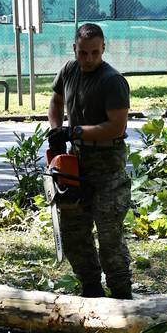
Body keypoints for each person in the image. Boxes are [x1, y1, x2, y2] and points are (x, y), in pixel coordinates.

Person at [47, 23, 133, 300]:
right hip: (77, 161)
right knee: (74, 230)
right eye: (83, 53)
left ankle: (122, 294)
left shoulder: (112, 80)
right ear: (75, 49)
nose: (89, 59)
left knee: (109, 236)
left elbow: (116, 127)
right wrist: (56, 129)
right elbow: (56, 101)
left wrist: (75, 131)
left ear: (103, 49)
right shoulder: (69, 70)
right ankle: (91, 289)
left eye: (95, 53)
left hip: (107, 163)